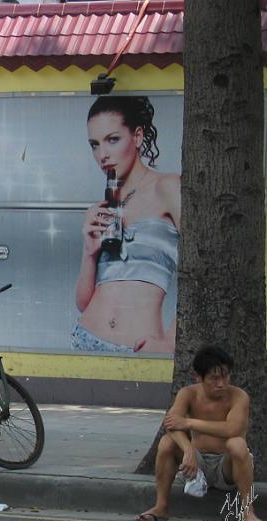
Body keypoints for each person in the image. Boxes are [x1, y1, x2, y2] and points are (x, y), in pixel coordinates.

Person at [73, 96, 180, 354]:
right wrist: (89, 252)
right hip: (86, 339)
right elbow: (84, 303)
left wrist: (171, 340)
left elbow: (205, 272)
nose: (103, 155)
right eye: (94, 145)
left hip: (139, 347)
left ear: (138, 136)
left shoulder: (167, 187)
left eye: (112, 139)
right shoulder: (102, 208)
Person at [129, 345, 263, 521]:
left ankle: (248, 511)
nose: (221, 384)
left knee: (237, 444)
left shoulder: (239, 396)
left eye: (225, 376)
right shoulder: (188, 394)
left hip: (226, 467)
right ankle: (160, 507)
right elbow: (171, 424)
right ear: (199, 377)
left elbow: (232, 429)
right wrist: (188, 450)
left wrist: (189, 423)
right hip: (196, 465)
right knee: (167, 442)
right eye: (214, 378)